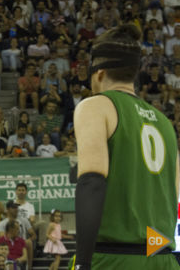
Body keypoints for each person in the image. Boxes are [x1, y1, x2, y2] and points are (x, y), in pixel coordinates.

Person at [74, 24, 179, 269]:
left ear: (98, 73)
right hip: (163, 259)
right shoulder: (165, 124)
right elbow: (173, 198)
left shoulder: (96, 106)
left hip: (113, 258)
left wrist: (82, 263)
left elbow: (92, 182)